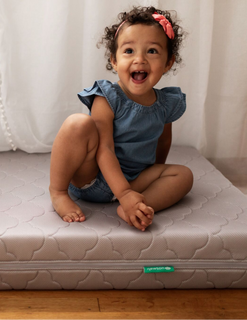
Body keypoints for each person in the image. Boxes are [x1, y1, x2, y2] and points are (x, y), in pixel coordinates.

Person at [49, 6, 193, 231]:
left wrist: (151, 181)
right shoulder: (107, 97)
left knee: (184, 175)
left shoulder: (166, 103)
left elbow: (163, 142)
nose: (140, 60)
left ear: (168, 62)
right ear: (114, 61)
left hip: (135, 181)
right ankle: (57, 192)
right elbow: (104, 148)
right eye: (129, 51)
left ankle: (137, 206)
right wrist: (123, 193)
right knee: (78, 124)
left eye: (152, 51)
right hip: (93, 178)